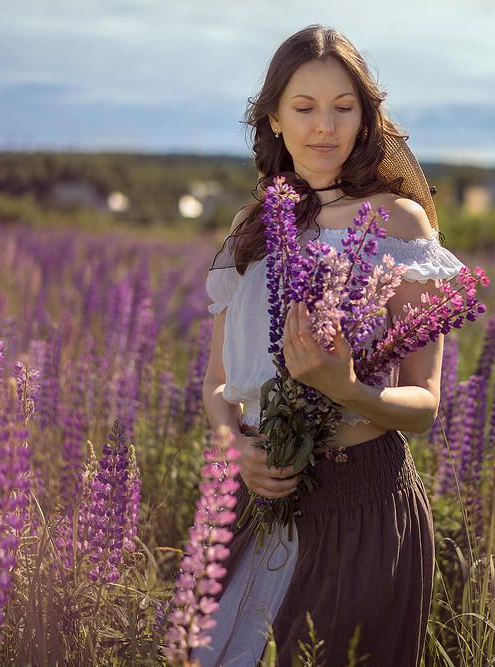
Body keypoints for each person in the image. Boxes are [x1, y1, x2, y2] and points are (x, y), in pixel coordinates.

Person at [197, 24, 466, 667]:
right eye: (305, 108)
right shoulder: (253, 227)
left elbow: (425, 404)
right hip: (260, 498)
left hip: (363, 509)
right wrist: (236, 448)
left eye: (344, 108)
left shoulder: (399, 221)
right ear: (273, 119)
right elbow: (216, 382)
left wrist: (345, 389)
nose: (326, 127)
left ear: (366, 117)